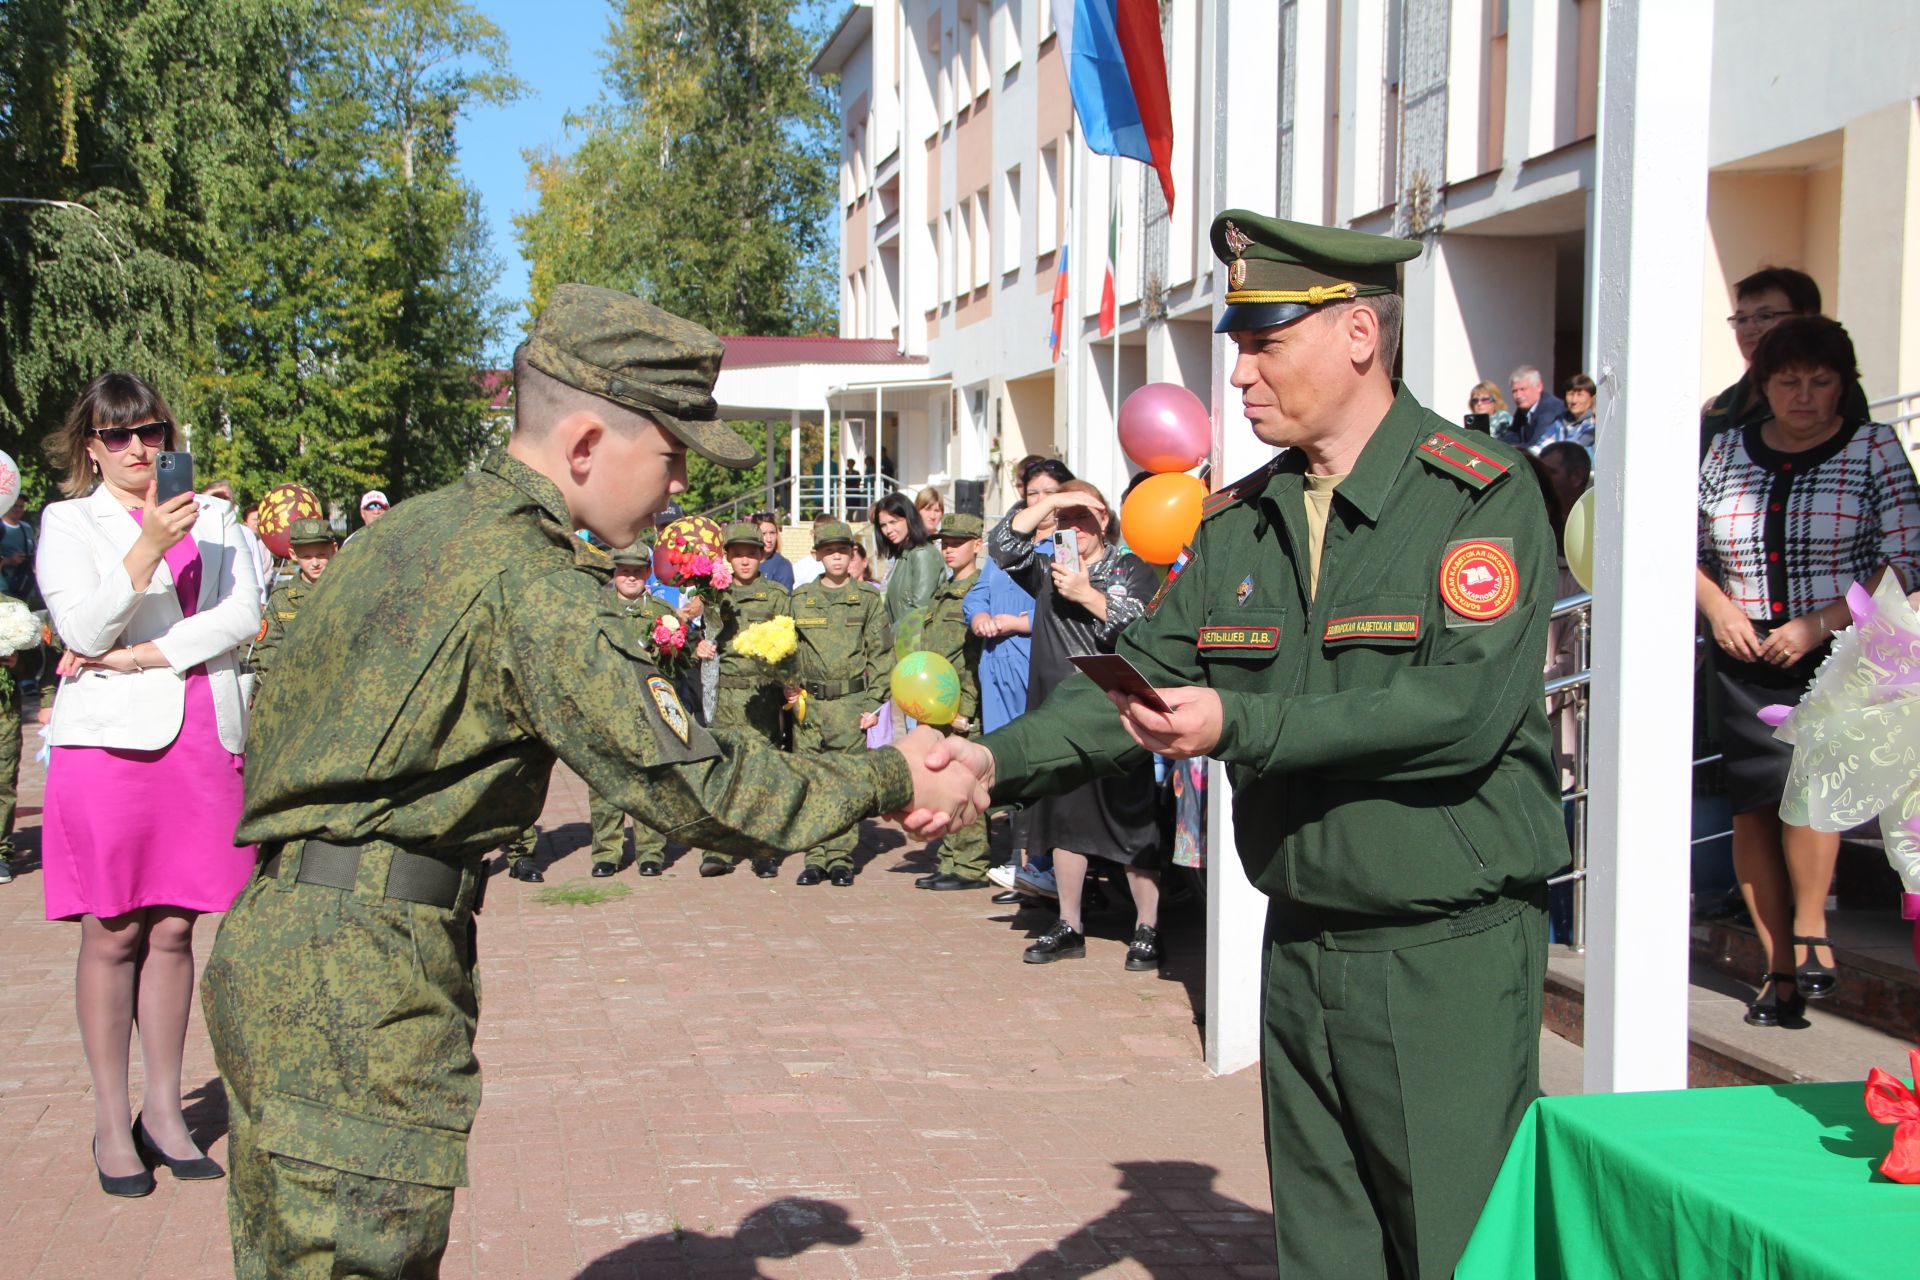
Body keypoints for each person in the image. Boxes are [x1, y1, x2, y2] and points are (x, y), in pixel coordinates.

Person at [198, 286, 984, 1277]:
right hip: (359, 972)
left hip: (287, 941)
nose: (676, 492)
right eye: (670, 457)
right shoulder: (535, 586)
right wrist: (886, 773)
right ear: (583, 447)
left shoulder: (409, 535)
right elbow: (694, 791)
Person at [913, 210, 1565, 1278]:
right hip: (1303, 941)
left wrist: (1239, 720)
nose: (1242, 371)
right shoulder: (1241, 522)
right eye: (1237, 343)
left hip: (1440, 947)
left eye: (1266, 340)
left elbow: (1458, 714)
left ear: (1360, 333)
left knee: (1459, 1248)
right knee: (1327, 1251)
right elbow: (1133, 681)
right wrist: (993, 763)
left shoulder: (1477, 496)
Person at [36, 371, 263, 1198]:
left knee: (174, 929)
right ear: (91, 447)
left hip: (203, 735)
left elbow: (243, 618)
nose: (140, 449)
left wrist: (136, 656)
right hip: (110, 750)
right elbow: (82, 626)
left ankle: (164, 1112)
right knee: (113, 929)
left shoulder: (219, 519)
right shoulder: (67, 524)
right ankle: (110, 1118)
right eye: (119, 435)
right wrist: (142, 547)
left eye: (152, 432)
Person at [1697, 314, 1920, 1027]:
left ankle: (1813, 933)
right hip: (1741, 650)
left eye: (1820, 382)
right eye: (1788, 381)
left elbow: (1906, 557)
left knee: (1813, 787)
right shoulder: (1725, 449)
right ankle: (1777, 971)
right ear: (1763, 386)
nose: (1803, 396)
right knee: (1755, 805)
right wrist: (1719, 608)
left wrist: (1820, 623)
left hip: (1839, 651)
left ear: (1843, 386)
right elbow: (1677, 541)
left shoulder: (1875, 447)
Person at [986, 480, 1163, 968]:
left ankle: (1147, 928)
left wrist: (1086, 595)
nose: (1070, 529)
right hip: (1055, 717)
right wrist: (1050, 503)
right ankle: (1069, 925)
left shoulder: (1130, 568)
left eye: (1080, 519)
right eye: (1063, 522)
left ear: (1103, 521)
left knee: (1130, 821)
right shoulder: (1048, 570)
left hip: (1113, 715)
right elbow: (1002, 543)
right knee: (1063, 820)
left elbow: (1146, 629)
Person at [971, 459, 1072, 899]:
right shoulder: (1006, 549)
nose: (1039, 502)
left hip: (1037, 667)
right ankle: (1019, 862)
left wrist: (1017, 622)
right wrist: (980, 617)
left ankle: (1045, 866)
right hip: (996, 669)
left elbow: (1070, 609)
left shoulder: (1067, 546)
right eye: (1033, 494)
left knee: (1040, 767)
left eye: (1049, 493)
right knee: (1006, 769)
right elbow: (976, 593)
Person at [784, 519, 893, 887]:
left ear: (852, 555)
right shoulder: (799, 600)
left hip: (849, 704)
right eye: (829, 551)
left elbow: (881, 654)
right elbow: (786, 651)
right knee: (813, 781)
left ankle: (841, 857)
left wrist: (875, 703)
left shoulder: (866, 600)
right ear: (816, 555)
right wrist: (788, 686)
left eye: (842, 551)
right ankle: (814, 856)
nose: (836, 557)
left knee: (846, 782)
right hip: (809, 706)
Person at [586, 541, 688, 879]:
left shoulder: (662, 611)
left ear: (647, 573)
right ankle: (607, 852)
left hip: (649, 708)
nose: (630, 576)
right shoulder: (595, 609)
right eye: (624, 570)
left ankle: (650, 852)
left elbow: (677, 665)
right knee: (606, 782)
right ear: (614, 573)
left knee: (651, 782)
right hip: (606, 707)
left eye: (637, 571)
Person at [1700, 266, 1869, 460]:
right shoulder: (1727, 400)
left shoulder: (1831, 389)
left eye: (1764, 316)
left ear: (1805, 318)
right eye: (1741, 319)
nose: (1749, 328)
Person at [703, 521, 792, 878]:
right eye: (737, 554)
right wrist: (701, 644)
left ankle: (763, 848)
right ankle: (720, 849)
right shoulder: (713, 594)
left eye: (751, 553)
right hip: (725, 696)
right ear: (728, 556)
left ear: (762, 555)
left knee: (763, 774)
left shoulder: (775, 595)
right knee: (725, 772)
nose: (744, 560)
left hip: (762, 698)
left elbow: (789, 643)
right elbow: (705, 634)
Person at [914, 513, 989, 890]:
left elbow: (976, 659)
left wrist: (967, 710)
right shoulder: (943, 589)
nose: (949, 549)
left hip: (961, 707)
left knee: (965, 784)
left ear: (977, 544)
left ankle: (971, 865)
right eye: (945, 543)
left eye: (957, 543)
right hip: (937, 707)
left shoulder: (981, 590)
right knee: (943, 784)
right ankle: (949, 860)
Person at [246, 517, 336, 696]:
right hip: (292, 691)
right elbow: (266, 649)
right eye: (306, 556)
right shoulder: (282, 599)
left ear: (334, 549)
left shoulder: (346, 590)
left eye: (321, 555)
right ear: (293, 554)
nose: (315, 562)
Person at [872, 490, 942, 624]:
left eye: (894, 522)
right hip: (901, 640)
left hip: (915, 641)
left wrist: (891, 637)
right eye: (883, 525)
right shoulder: (901, 555)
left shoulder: (922, 554)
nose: (888, 530)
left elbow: (919, 609)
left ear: (909, 518)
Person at [1502, 365, 1566, 451]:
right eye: (1514, 391)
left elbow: (1537, 445)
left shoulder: (1550, 408)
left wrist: (1513, 449)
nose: (1518, 396)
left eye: (1523, 389)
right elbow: (1512, 435)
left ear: (1539, 387)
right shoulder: (1524, 407)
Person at [1539, 373, 1597, 453]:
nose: (1574, 400)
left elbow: (1577, 451)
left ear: (1592, 398)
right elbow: (1542, 446)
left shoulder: (1593, 425)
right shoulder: (1559, 422)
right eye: (1571, 394)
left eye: (1580, 395)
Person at [0, 493, 37, 605]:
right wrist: (9, 561)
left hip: (24, 587)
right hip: (3, 589)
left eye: (21, 507)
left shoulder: (26, 528)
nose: (18, 509)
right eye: (14, 506)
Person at [754, 511, 795, 589]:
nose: (769, 539)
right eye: (763, 534)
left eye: (772, 533)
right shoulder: (747, 562)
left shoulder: (782, 566)